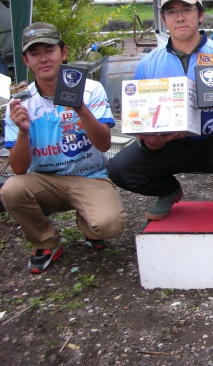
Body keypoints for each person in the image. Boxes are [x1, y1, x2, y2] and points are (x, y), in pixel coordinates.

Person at [107, 0, 213, 221]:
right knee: (119, 169)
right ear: (163, 19)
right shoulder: (148, 64)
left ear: (200, 14)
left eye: (187, 9)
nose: (179, 17)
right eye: (171, 11)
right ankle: (167, 191)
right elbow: (139, 118)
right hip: (169, 143)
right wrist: (150, 143)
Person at [2, 22, 126, 273]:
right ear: (26, 60)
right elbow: (18, 168)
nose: (43, 59)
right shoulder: (19, 103)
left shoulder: (90, 89)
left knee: (109, 224)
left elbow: (103, 144)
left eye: (49, 50)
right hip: (44, 180)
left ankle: (88, 224)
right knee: (12, 190)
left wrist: (81, 109)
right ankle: (46, 242)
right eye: (34, 54)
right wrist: (24, 130)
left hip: (90, 177)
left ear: (64, 52)